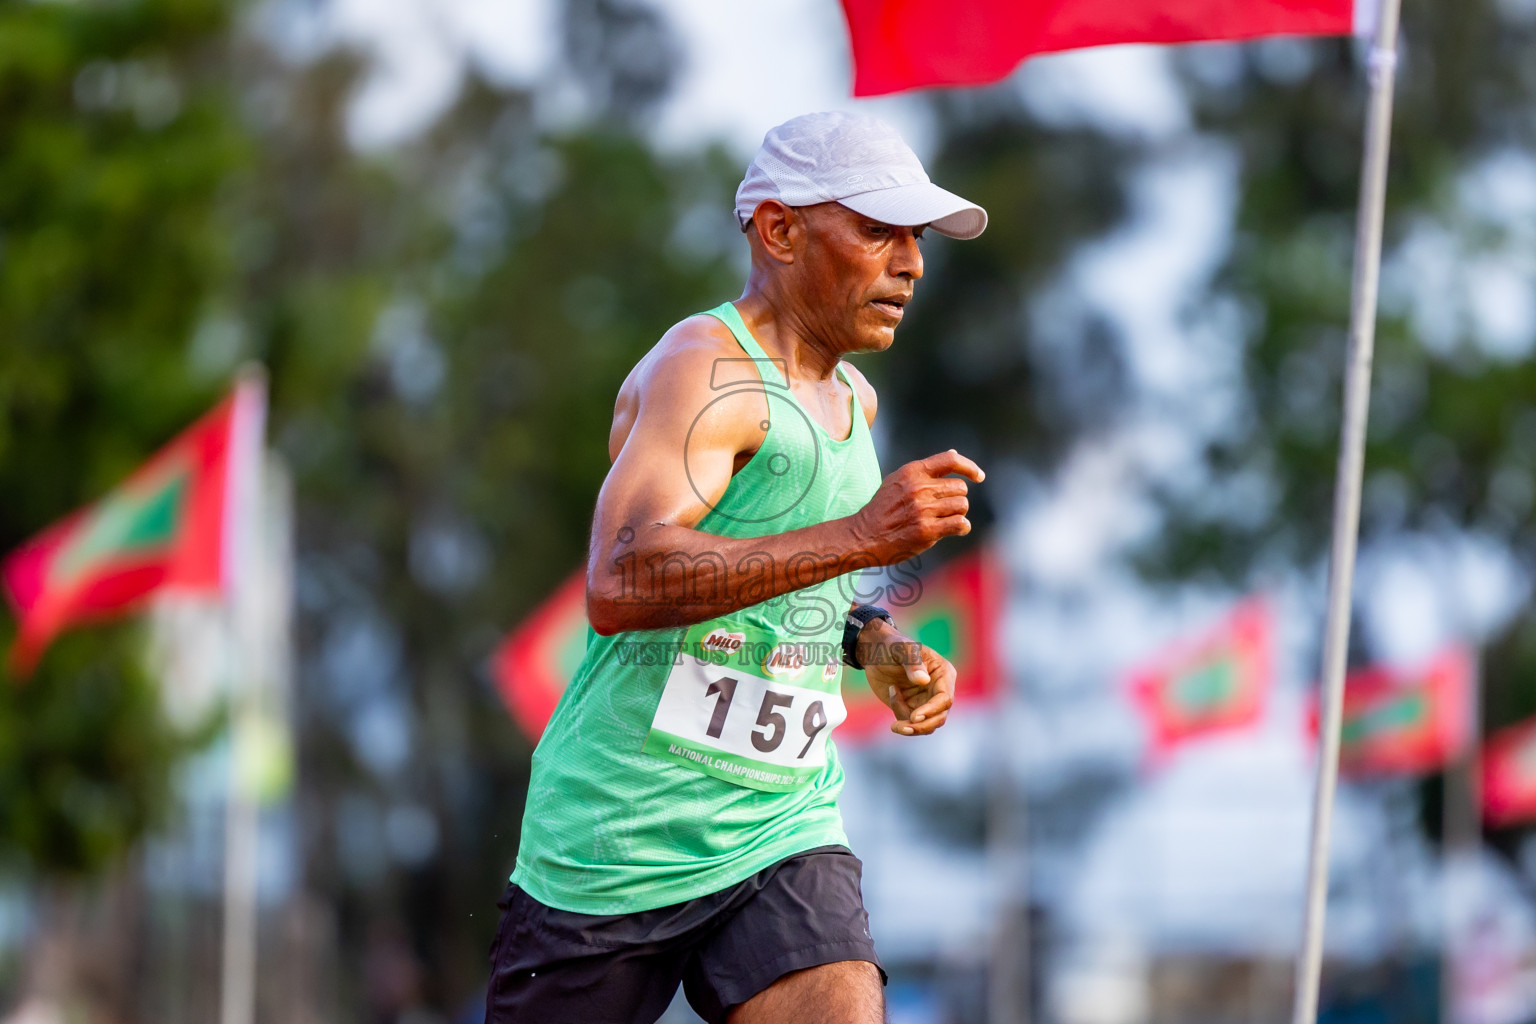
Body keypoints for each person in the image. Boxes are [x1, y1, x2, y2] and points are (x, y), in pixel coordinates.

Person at [485, 111, 989, 1024]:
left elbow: (796, 583)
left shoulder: (853, 403)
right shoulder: (703, 368)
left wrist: (876, 643)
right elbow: (624, 578)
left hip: (779, 828)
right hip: (615, 843)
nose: (911, 262)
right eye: (879, 230)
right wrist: (866, 539)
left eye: (916, 238)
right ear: (781, 228)